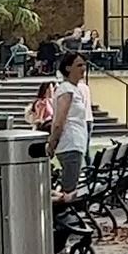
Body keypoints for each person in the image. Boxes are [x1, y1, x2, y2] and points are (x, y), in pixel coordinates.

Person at [49, 49, 93, 195]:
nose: (83, 69)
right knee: (69, 188)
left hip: (76, 143)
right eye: (79, 65)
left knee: (71, 184)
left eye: (84, 65)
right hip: (70, 144)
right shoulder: (66, 90)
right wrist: (52, 144)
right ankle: (63, 215)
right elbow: (59, 121)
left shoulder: (75, 89)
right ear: (68, 68)